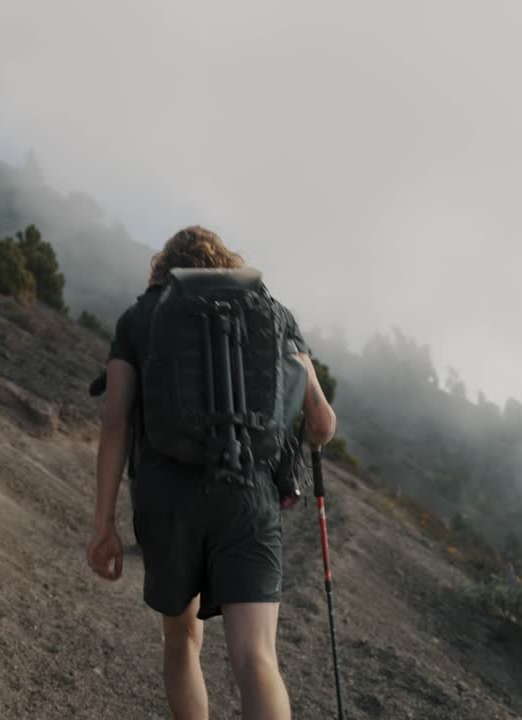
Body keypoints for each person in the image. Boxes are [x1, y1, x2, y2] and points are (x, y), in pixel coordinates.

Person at [86, 226, 337, 720]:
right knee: (257, 658)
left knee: (181, 641)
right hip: (250, 496)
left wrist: (103, 526)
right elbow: (323, 423)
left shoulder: (140, 317)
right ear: (225, 263)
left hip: (168, 497)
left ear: (163, 270)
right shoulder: (272, 314)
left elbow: (115, 421)